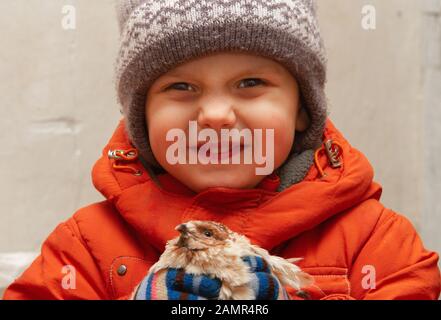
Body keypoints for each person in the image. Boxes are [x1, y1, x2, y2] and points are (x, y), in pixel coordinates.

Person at [3, 0, 440, 300]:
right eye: (181, 86)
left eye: (250, 83)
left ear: (302, 109)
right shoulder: (85, 249)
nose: (214, 115)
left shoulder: (375, 244)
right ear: (143, 120)